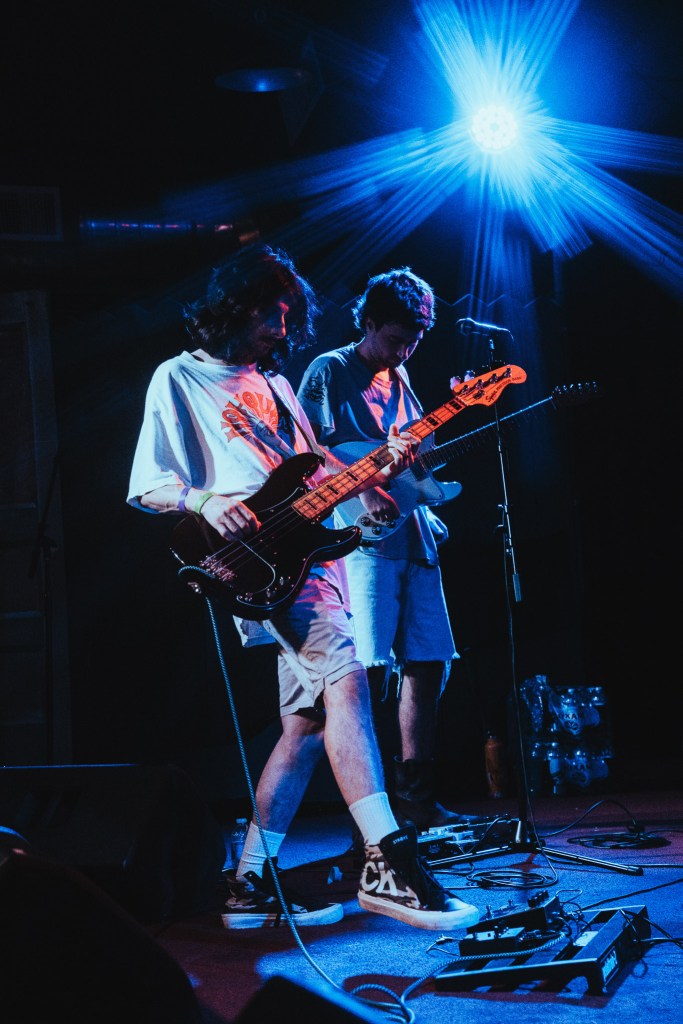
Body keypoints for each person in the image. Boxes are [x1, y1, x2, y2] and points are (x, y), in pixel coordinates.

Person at [127, 244, 479, 932]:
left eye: (290, 315)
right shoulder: (179, 377)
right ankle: (386, 859)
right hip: (250, 559)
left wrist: (381, 469)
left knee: (305, 726)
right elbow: (146, 484)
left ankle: (248, 881)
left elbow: (317, 482)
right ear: (235, 305)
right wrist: (203, 502)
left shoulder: (277, 385)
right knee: (347, 677)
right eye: (273, 312)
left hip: (311, 562)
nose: (283, 328)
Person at [297, 266, 485, 833]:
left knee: (430, 664)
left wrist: (456, 415)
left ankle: (417, 800)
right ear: (370, 322)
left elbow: (420, 467)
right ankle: (371, 814)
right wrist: (369, 485)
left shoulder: (403, 384)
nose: (407, 349)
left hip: (413, 534)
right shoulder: (330, 369)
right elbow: (305, 453)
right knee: (368, 671)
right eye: (399, 337)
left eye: (418, 338)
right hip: (360, 539)